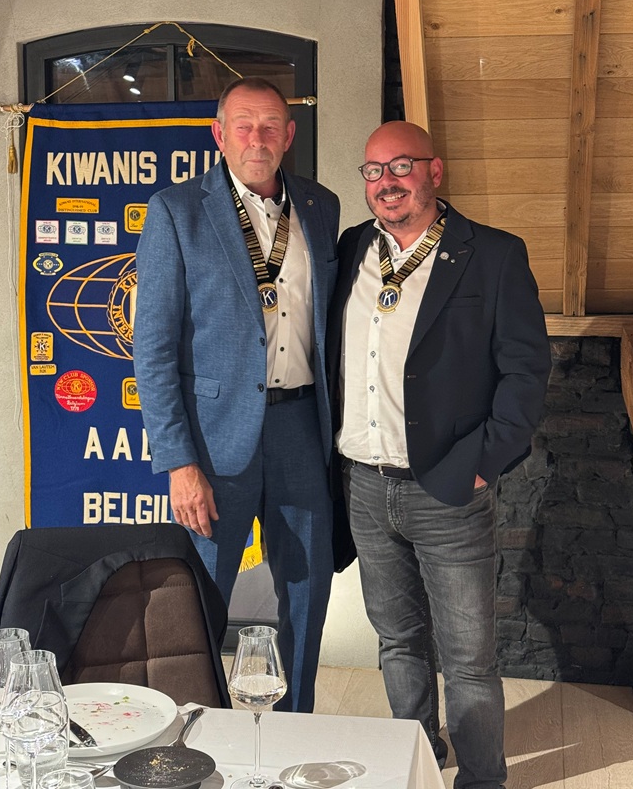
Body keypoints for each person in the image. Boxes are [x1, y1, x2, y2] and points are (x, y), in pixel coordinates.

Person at [327, 120, 551, 787]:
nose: (386, 182)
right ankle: (418, 760)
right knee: (397, 640)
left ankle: (482, 780)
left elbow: (525, 373)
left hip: (448, 486)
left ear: (434, 171)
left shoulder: (493, 255)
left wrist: (482, 463)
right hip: (365, 485)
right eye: (373, 171)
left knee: (469, 658)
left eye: (401, 166)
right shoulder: (350, 249)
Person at [133, 76, 340, 713]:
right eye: (243, 126)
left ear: (290, 135)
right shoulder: (176, 211)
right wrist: (179, 463)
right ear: (218, 135)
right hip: (213, 440)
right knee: (202, 596)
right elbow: (153, 349)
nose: (258, 138)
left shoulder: (321, 206)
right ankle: (194, 727)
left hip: (302, 427)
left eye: (271, 125)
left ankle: (296, 722)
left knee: (307, 592)